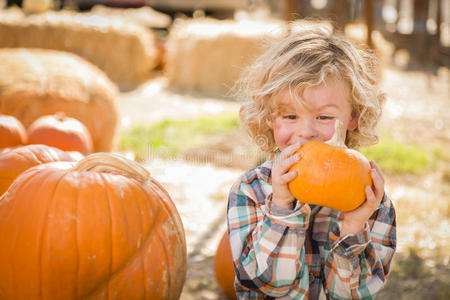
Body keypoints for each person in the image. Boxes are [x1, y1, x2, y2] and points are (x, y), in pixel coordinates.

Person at [227, 26, 396, 299]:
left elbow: (354, 294)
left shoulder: (371, 201)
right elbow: (266, 284)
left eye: (324, 117)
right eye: (290, 117)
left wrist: (352, 228)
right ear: (270, 119)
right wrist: (281, 209)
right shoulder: (251, 190)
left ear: (353, 116)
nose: (306, 132)